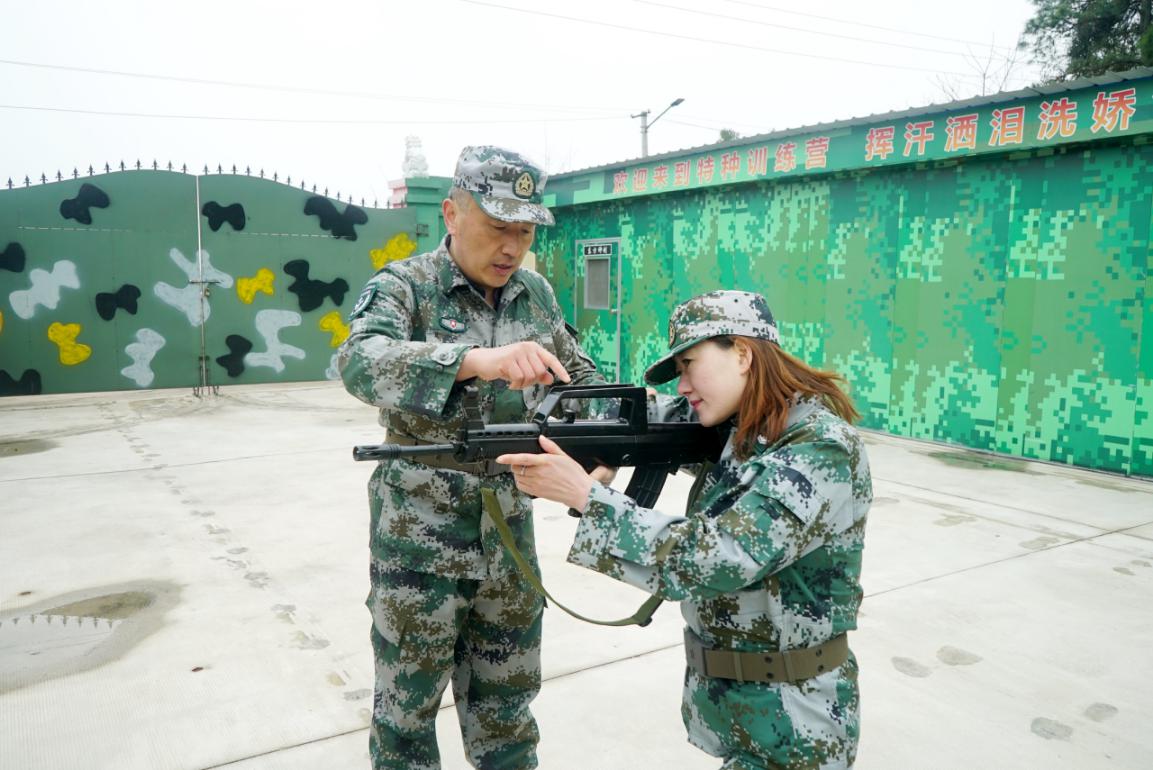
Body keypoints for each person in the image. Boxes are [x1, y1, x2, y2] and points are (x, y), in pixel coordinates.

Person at [497, 289, 871, 770]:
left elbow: (721, 557)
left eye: (690, 364)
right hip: (745, 711)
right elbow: (637, 420)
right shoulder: (741, 431)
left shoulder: (819, 448)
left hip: (798, 725)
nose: (684, 387)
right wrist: (588, 442)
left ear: (741, 352)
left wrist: (586, 497)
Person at [338, 145, 604, 770]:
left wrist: (602, 435)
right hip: (418, 537)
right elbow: (358, 361)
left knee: (508, 708)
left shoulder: (534, 293)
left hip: (509, 528)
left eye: (524, 231)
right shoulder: (405, 286)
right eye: (498, 228)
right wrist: (469, 361)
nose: (512, 247)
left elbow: (577, 372)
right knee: (406, 715)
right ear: (453, 215)